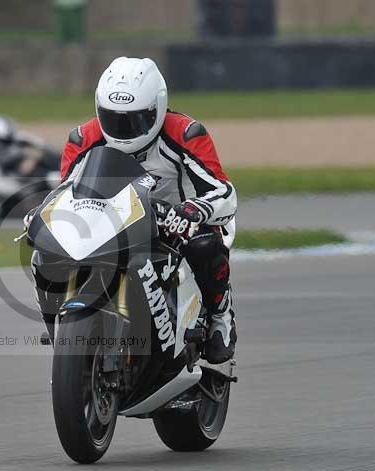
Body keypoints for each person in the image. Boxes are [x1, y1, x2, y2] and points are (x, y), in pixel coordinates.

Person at [27, 57, 237, 364]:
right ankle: (62, 333)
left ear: (158, 109)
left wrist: (192, 211)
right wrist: (43, 213)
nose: (124, 129)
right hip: (113, 224)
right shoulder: (83, 138)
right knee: (45, 254)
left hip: (178, 227)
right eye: (113, 119)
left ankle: (221, 316)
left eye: (135, 119)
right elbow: (66, 191)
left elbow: (223, 191)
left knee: (204, 245)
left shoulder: (186, 133)